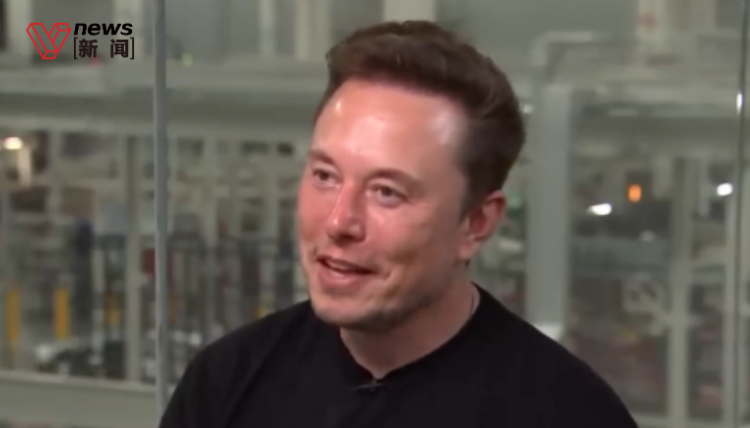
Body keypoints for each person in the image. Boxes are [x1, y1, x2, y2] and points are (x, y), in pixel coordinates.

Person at [159, 20, 638, 428]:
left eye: (387, 192)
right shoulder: (226, 382)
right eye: (325, 176)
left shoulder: (570, 414)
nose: (340, 221)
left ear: (475, 223)